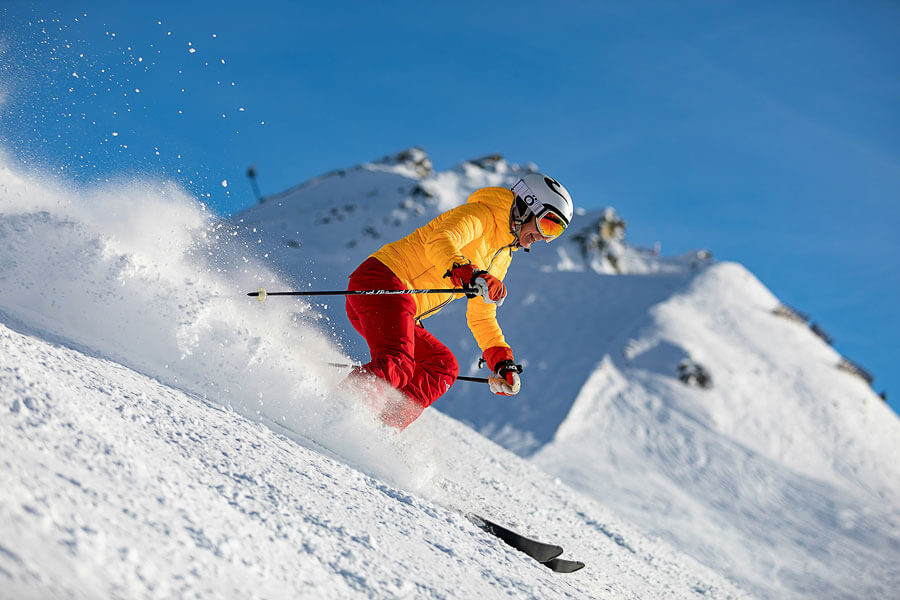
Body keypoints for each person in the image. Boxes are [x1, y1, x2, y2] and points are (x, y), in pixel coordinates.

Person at [343, 173, 574, 429]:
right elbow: (439, 240)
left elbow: (481, 315)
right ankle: (339, 409)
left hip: (402, 308)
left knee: (442, 366)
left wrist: (500, 359)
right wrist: (467, 272)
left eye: (555, 232)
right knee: (398, 362)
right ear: (527, 206)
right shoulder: (481, 215)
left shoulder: (502, 255)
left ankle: (380, 428)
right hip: (383, 281)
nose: (544, 237)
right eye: (547, 224)